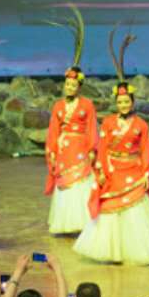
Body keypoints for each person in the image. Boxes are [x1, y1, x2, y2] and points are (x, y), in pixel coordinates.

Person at [75, 56, 149, 265]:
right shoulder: (109, 123)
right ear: (116, 103)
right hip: (112, 170)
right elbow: (102, 148)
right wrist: (101, 170)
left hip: (134, 171)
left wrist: (147, 173)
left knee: (134, 212)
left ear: (132, 102)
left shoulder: (140, 125)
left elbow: (147, 150)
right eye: (120, 102)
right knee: (110, 210)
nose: (123, 105)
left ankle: (136, 250)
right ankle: (112, 250)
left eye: (126, 101)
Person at [47, 39, 99, 236]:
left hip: (80, 146)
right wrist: (52, 150)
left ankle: (83, 220)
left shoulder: (87, 105)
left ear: (79, 86)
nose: (69, 87)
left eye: (73, 84)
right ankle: (65, 222)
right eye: (67, 84)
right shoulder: (58, 106)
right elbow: (53, 129)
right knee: (65, 182)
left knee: (81, 182)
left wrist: (92, 149)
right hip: (64, 148)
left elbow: (92, 127)